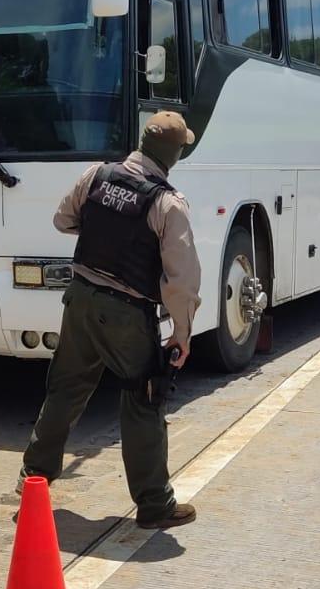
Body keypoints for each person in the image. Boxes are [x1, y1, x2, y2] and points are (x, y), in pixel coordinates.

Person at [18, 111, 201, 530]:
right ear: (174, 153)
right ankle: (155, 504)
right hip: (126, 312)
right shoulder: (168, 203)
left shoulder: (96, 176)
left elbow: (63, 220)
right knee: (143, 400)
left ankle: (34, 480)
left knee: (65, 390)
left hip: (80, 298)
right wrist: (182, 332)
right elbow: (182, 280)